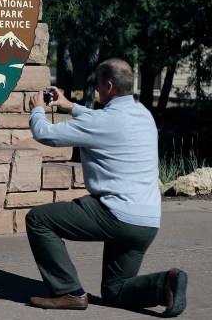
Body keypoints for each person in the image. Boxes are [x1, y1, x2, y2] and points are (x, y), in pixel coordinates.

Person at [25, 58, 187, 317]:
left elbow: (46, 134)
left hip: (115, 215)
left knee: (39, 220)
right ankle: (165, 284)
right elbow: (104, 120)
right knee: (115, 290)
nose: (97, 89)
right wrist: (70, 106)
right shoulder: (143, 114)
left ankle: (68, 292)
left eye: (98, 85)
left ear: (109, 86)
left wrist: (37, 110)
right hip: (146, 222)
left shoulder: (101, 122)